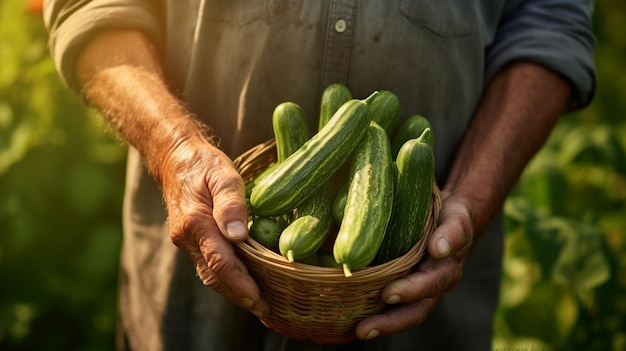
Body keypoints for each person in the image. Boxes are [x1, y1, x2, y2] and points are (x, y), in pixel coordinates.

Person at [43, 1, 596, 350]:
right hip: (193, 303)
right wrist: (176, 152)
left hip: (426, 300)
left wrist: (471, 195)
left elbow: (551, 19)